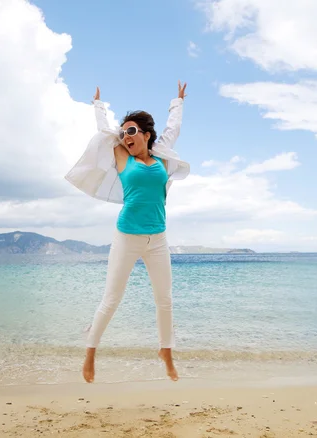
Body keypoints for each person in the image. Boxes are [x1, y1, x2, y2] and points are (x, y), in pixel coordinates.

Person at [65, 81, 190, 383]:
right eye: (124, 132)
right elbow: (105, 132)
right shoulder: (123, 156)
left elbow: (172, 131)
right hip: (126, 237)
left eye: (132, 131)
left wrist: (178, 102)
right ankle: (91, 352)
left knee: (165, 299)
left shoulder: (160, 158)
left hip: (158, 239)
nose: (126, 136)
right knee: (112, 298)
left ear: (147, 135)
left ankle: (166, 351)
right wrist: (98, 106)